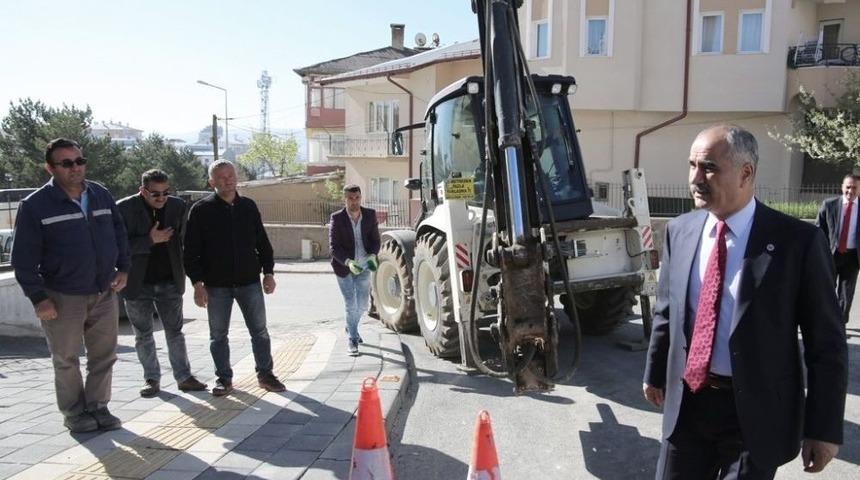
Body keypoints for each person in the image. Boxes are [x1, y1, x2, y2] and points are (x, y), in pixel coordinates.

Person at [642, 125, 847, 478]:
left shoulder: (797, 241)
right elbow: (667, 311)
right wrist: (655, 372)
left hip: (756, 415)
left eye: (708, 167)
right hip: (689, 406)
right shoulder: (680, 231)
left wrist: (824, 429)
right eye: (691, 165)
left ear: (745, 173)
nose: (695, 178)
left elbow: (826, 344)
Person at [11, 138, 130, 433]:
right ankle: (75, 413)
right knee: (66, 358)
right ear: (50, 168)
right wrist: (39, 298)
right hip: (62, 296)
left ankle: (98, 407)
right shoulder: (35, 206)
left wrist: (124, 268)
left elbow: (119, 233)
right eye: (66, 163)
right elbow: (23, 258)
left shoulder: (100, 194)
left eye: (79, 161)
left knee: (104, 355)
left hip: (103, 292)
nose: (75, 168)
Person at [184, 160, 285, 396]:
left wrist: (268, 273)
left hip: (249, 282)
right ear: (211, 182)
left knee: (259, 331)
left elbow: (262, 243)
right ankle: (224, 379)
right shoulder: (200, 210)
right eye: (221, 177)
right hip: (216, 286)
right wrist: (197, 284)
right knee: (218, 335)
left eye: (231, 175)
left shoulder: (248, 207)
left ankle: (266, 375)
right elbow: (190, 252)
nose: (227, 180)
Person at [117, 169, 207, 398]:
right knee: (143, 335)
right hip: (137, 284)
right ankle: (151, 379)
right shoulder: (124, 209)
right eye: (155, 194)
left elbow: (187, 243)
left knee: (175, 332)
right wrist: (149, 240)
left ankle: (184, 377)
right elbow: (117, 248)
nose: (161, 198)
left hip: (169, 281)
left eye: (165, 193)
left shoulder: (177, 207)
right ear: (142, 190)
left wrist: (197, 280)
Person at [328, 184, 380, 355]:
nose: (354, 201)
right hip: (344, 267)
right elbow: (334, 247)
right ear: (345, 199)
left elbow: (375, 240)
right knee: (351, 304)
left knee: (363, 305)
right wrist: (348, 262)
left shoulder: (370, 215)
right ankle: (352, 339)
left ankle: (350, 327)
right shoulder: (337, 218)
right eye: (350, 198)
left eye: (357, 197)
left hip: (364, 265)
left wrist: (373, 255)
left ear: (360, 197)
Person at [816, 174, 860, 324]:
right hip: (831, 255)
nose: (850, 191)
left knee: (846, 294)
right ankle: (824, 321)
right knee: (826, 289)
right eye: (848, 187)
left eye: (854, 187)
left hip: (853, 257)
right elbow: (818, 231)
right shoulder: (829, 205)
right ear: (842, 187)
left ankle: (839, 324)